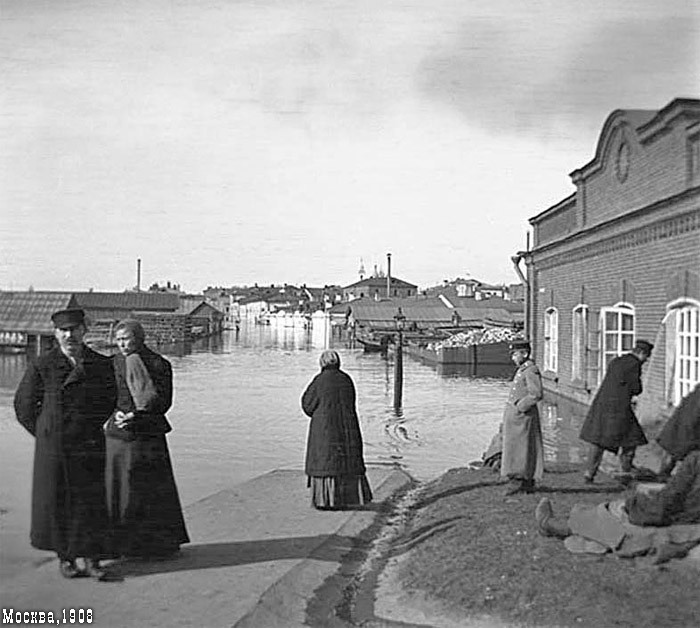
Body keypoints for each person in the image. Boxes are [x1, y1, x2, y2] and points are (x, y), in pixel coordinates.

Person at [14, 308, 116, 579]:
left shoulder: (100, 364)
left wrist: (90, 425)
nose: (69, 335)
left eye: (74, 329)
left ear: (84, 331)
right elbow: (23, 406)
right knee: (58, 500)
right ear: (55, 333)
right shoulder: (42, 365)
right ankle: (66, 558)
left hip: (89, 442)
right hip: (54, 446)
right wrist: (46, 433)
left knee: (91, 499)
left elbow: (109, 399)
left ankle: (93, 558)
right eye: (63, 330)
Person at [104, 319, 189, 559]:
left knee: (150, 489)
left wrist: (137, 416)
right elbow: (105, 396)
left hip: (147, 433)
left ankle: (156, 544)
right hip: (118, 434)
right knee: (121, 488)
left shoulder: (159, 364)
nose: (121, 345)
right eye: (118, 339)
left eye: (126, 339)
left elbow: (164, 402)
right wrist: (116, 413)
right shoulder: (112, 364)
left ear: (139, 338)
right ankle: (121, 544)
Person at [535, 449, 700, 563]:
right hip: (687, 519)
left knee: (611, 512)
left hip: (672, 519)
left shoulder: (696, 460)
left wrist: (633, 504)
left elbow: (662, 507)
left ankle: (550, 525)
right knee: (610, 511)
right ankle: (562, 525)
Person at [301, 350, 373, 510]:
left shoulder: (319, 381)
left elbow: (307, 405)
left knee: (326, 464)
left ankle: (325, 500)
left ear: (322, 363)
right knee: (346, 463)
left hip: (324, 429)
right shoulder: (346, 379)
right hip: (347, 427)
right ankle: (348, 498)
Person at [579, 339, 654, 483]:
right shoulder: (634, 365)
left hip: (602, 406)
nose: (646, 360)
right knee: (633, 439)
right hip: (619, 409)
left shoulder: (617, 361)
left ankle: (589, 474)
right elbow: (636, 388)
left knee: (598, 440)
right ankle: (626, 471)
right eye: (646, 356)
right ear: (641, 353)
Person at [501, 340, 544, 495]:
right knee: (515, 447)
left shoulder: (530, 370)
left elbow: (536, 394)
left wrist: (520, 406)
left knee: (521, 449)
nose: (513, 358)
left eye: (515, 354)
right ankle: (524, 481)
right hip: (516, 418)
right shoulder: (522, 370)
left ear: (524, 354)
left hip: (523, 417)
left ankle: (519, 479)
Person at [656, 384, 700, 478]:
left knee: (672, 450)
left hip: (679, 425)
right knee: (684, 453)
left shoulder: (696, 392)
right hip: (689, 428)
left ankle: (664, 474)